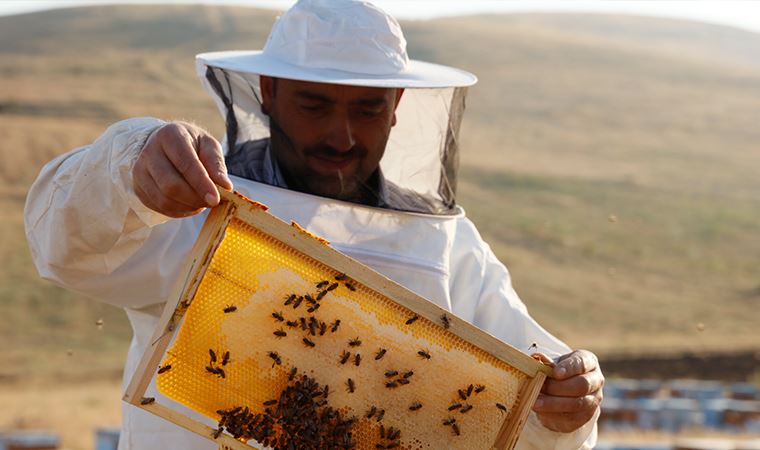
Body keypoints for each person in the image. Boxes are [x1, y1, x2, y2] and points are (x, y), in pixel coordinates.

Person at [24, 0, 603, 448]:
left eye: (367, 109)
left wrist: (574, 400)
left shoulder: (445, 243)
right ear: (269, 93)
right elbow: (62, 242)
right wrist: (129, 163)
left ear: (398, 104)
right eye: (316, 104)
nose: (342, 137)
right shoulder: (197, 202)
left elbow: (533, 395)